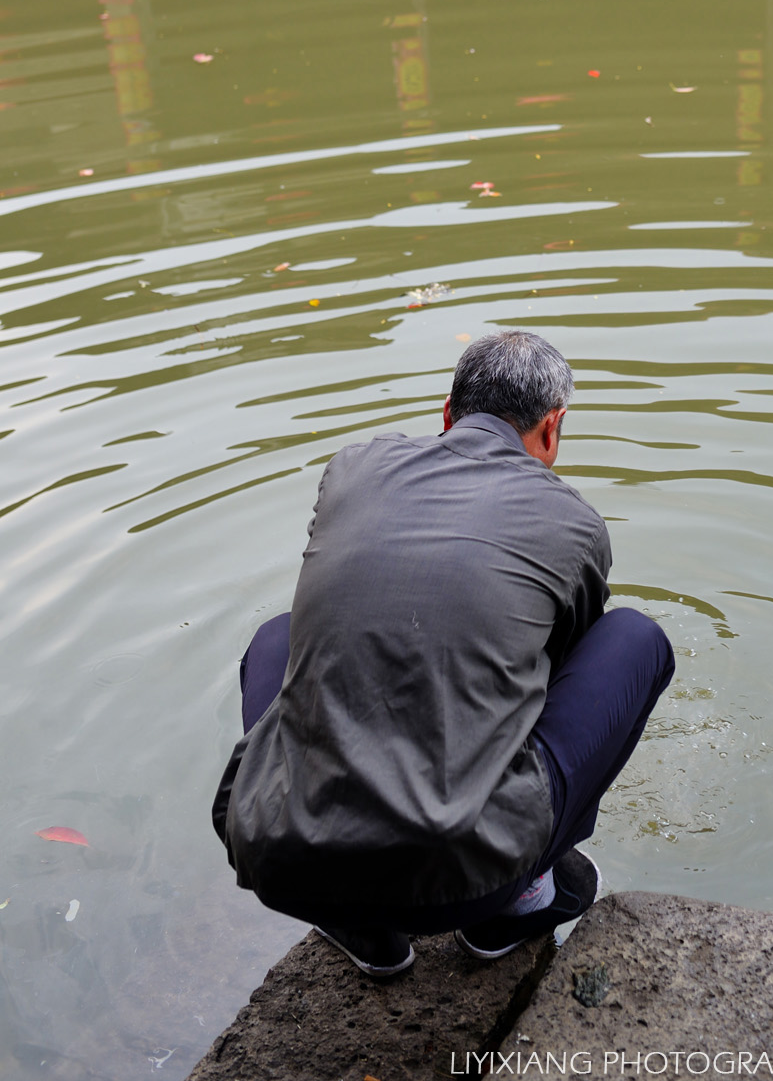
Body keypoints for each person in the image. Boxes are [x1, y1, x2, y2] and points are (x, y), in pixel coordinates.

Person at [211, 328, 674, 976]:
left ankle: (360, 927)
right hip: (467, 879)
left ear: (449, 414)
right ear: (553, 427)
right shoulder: (571, 522)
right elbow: (553, 673)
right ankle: (518, 902)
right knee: (633, 638)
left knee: (276, 638)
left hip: (282, 860)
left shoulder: (352, 467)